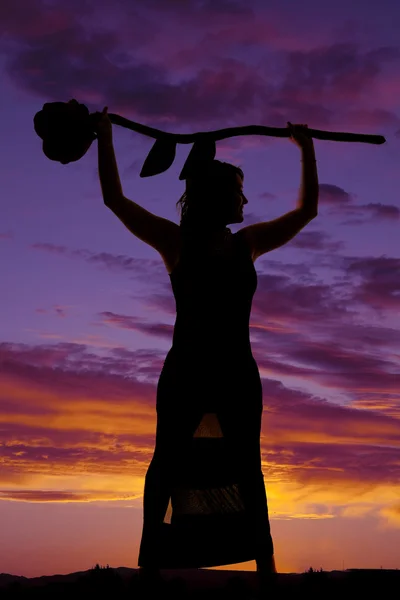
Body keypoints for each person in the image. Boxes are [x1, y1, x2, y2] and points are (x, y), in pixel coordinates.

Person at [95, 107, 319, 591]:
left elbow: (306, 212)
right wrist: (104, 136)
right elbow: (115, 198)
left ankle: (264, 568)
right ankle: (151, 567)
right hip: (187, 369)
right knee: (168, 461)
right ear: (218, 197)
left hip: (237, 370)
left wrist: (307, 150)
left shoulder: (249, 244)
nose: (245, 200)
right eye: (239, 191)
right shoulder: (175, 242)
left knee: (245, 464)